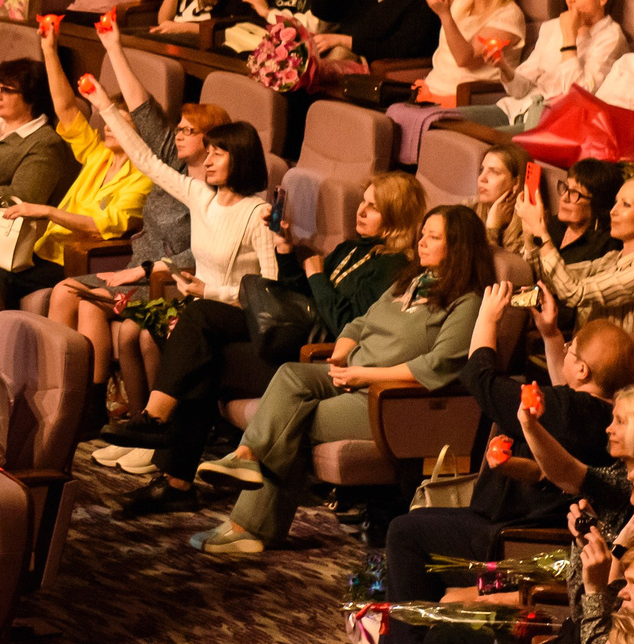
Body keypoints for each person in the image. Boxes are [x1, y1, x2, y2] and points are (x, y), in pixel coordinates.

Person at [186, 204, 486, 552]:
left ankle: (249, 526)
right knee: (290, 376)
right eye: (422, 234)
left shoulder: (466, 302)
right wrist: (342, 351)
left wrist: (364, 375)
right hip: (352, 374)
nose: (422, 242)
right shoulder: (409, 282)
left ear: (460, 247)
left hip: (388, 399)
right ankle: (247, 458)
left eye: (434, 237)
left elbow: (437, 366)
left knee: (294, 418)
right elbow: (359, 323)